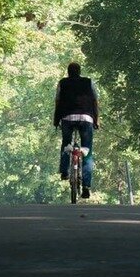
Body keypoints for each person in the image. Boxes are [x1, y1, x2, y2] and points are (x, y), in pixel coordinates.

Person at [53, 62, 99, 198]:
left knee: (66, 143)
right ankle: (86, 185)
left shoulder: (62, 83)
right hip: (86, 118)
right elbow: (95, 102)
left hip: (67, 117)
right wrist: (96, 120)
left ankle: (65, 171)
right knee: (87, 151)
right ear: (80, 71)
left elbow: (57, 102)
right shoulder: (89, 82)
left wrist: (56, 121)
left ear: (68, 72)